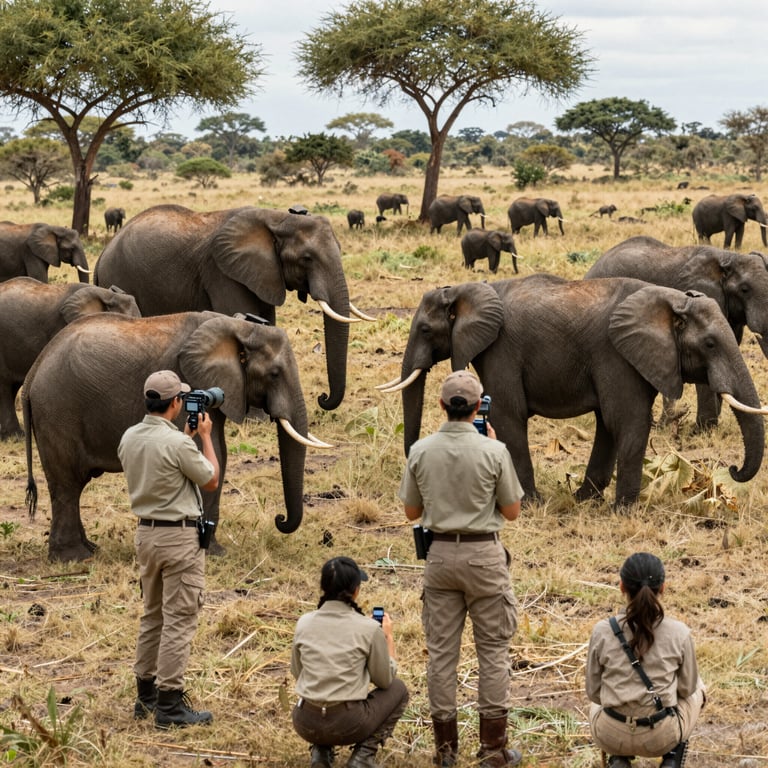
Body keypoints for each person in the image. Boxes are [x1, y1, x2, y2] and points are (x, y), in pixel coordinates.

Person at [399, 370, 524, 768]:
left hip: (438, 558)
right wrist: (492, 448)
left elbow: (411, 511)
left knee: (441, 656)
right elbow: (513, 511)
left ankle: (445, 751)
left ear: (441, 406)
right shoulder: (494, 451)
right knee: (492, 653)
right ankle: (492, 750)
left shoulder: (421, 449)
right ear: (477, 408)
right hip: (484, 558)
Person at [118, 370, 220, 729]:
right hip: (179, 539)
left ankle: (144, 697)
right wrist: (204, 438)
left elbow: (159, 463)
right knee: (179, 619)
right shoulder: (178, 444)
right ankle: (170, 705)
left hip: (146, 535)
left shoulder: (130, 436)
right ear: (175, 402)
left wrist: (184, 438)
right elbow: (210, 479)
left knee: (152, 615)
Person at [586, 552, 706, 768]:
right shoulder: (679, 632)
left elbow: (593, 691)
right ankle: (672, 757)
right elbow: (687, 689)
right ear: (663, 588)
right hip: (660, 736)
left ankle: (618, 757)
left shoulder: (602, 631)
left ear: (622, 586)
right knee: (699, 688)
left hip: (610, 734)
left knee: (595, 704)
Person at [291, 556, 409, 768]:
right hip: (348, 723)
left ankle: (321, 752)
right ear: (356, 590)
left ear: (323, 588)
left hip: (305, 721)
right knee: (399, 689)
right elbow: (384, 681)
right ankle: (363, 756)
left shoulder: (304, 622)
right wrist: (388, 639)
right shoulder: (369, 628)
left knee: (322, 692)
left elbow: (298, 672)